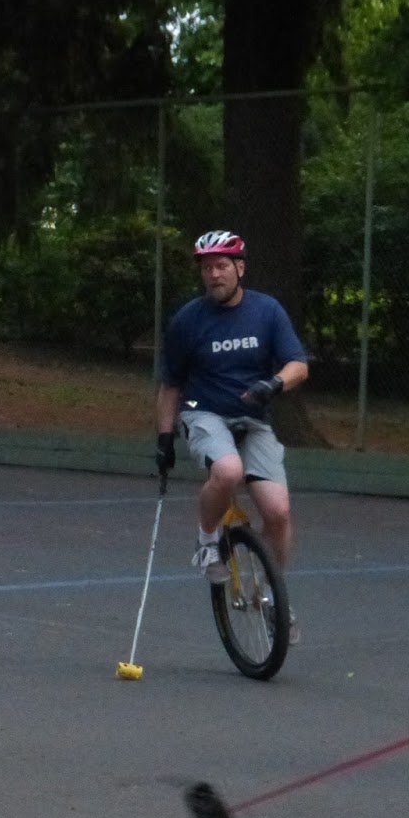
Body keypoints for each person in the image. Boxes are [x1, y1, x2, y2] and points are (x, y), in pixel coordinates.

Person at [155, 230, 310, 642]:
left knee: (277, 512)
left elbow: (298, 364)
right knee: (227, 470)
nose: (214, 275)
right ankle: (207, 540)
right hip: (202, 413)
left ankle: (275, 599)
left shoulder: (267, 311)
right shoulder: (188, 320)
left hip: (254, 419)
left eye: (222, 266)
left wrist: (272, 385)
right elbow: (170, 385)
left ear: (240, 268)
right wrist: (165, 439)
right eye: (207, 268)